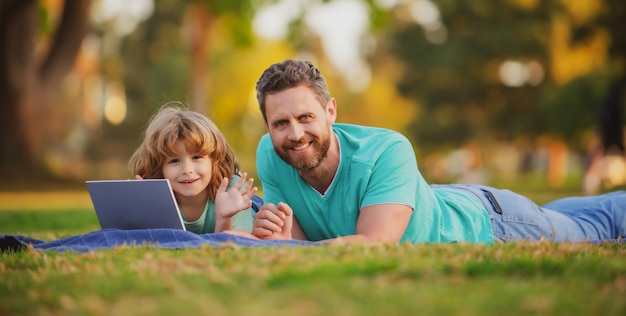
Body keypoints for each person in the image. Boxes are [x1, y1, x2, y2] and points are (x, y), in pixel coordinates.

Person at [251, 59, 626, 244]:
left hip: (490, 223)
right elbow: (296, 242)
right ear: (267, 125)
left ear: (330, 110)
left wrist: (289, 246)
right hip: (431, 199)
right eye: (281, 123)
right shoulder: (271, 153)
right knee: (563, 211)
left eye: (306, 117)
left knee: (598, 227)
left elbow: (368, 247)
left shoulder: (386, 149)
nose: (295, 134)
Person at [129, 103, 260, 234]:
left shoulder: (233, 191)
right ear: (159, 168)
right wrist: (146, 212)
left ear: (214, 159)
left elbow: (232, 247)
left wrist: (224, 219)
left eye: (196, 157)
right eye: (174, 161)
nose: (187, 169)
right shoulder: (156, 197)